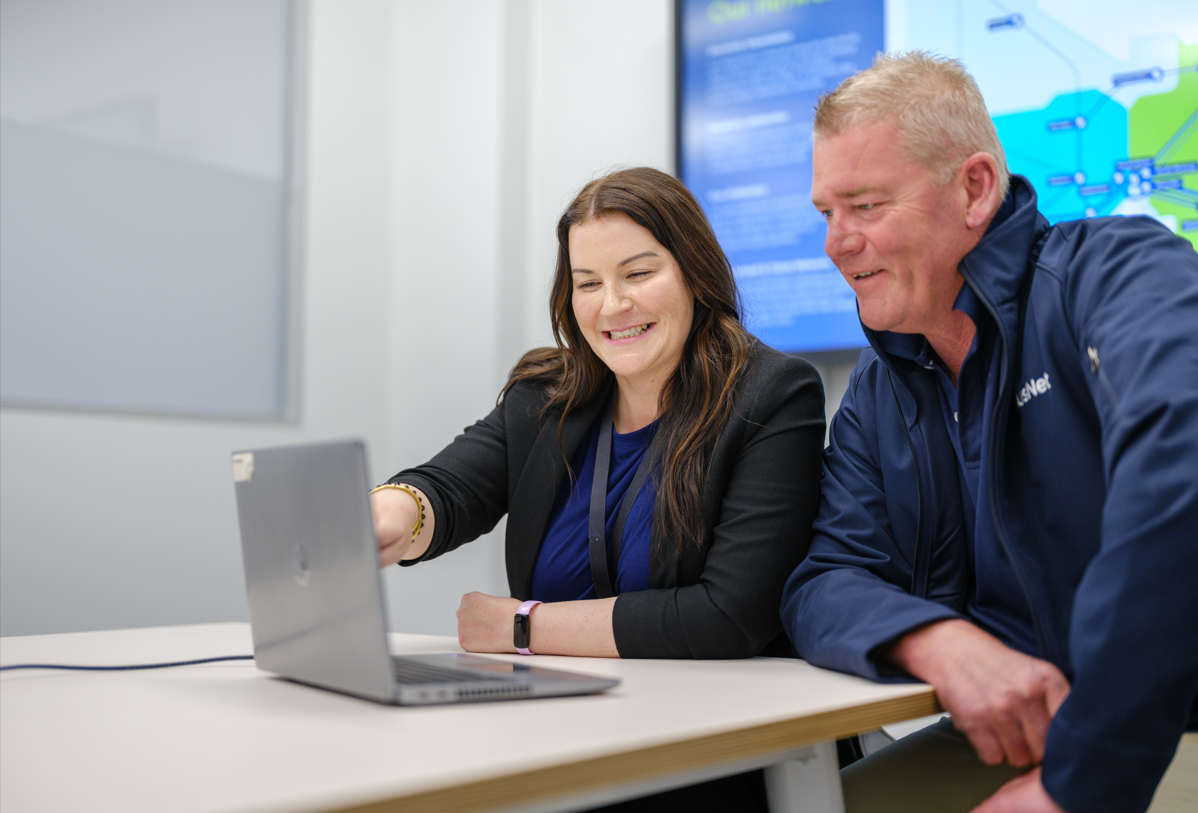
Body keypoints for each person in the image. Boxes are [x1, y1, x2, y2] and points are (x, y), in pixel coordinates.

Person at [779, 52, 1198, 813]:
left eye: (866, 206)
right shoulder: (882, 388)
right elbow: (824, 580)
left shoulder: (1117, 274)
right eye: (825, 214)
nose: (836, 244)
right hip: (1015, 735)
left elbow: (1184, 467)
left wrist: (1084, 780)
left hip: (1167, 727)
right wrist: (941, 642)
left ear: (973, 188)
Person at [372, 168, 824, 658]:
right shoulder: (545, 397)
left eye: (638, 274)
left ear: (695, 274)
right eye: (588, 283)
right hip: (565, 711)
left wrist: (524, 626)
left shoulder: (772, 394)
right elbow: (448, 490)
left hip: (717, 715)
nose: (612, 305)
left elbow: (729, 615)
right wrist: (395, 513)